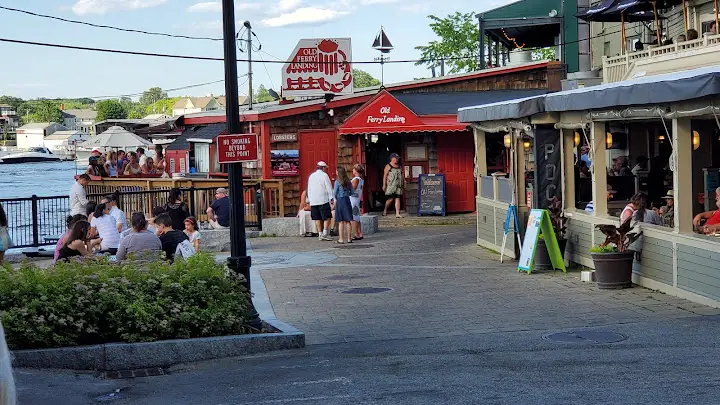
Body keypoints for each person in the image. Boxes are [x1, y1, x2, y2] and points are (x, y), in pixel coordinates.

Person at [307, 161, 334, 241]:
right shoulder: (325, 175)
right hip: (323, 199)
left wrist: (310, 199)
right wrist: (331, 198)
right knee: (327, 217)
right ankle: (325, 233)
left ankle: (320, 234)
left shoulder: (311, 176)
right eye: (325, 168)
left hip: (314, 200)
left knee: (317, 218)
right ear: (323, 168)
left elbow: (309, 188)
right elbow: (328, 187)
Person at [333, 166, 354, 244]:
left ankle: (341, 239)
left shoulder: (337, 182)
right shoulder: (348, 181)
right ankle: (349, 238)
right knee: (348, 221)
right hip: (347, 200)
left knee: (341, 221)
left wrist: (337, 197)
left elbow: (334, 193)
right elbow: (352, 192)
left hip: (340, 200)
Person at [383, 153, 403, 218]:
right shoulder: (388, 166)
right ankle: (385, 210)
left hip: (398, 185)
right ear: (392, 158)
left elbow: (402, 175)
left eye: (398, 158)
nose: (397, 160)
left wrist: (403, 183)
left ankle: (397, 213)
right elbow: (385, 176)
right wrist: (384, 185)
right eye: (396, 158)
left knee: (397, 198)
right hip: (390, 185)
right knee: (390, 199)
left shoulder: (399, 166)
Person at [350, 164, 365, 241]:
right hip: (357, 199)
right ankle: (360, 233)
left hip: (353, 200)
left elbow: (352, 189)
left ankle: (356, 234)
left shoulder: (356, 179)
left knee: (354, 218)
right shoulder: (361, 179)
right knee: (357, 217)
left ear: (355, 170)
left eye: (353, 169)